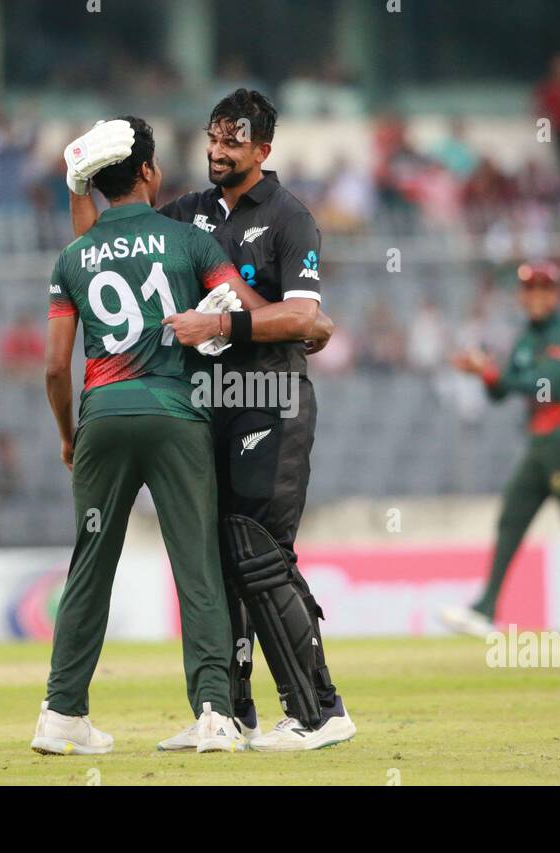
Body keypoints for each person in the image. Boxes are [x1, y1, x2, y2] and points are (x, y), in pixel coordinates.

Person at [66, 90, 356, 751]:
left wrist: (221, 322)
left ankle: (321, 711)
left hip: (272, 396)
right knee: (218, 557)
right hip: (208, 405)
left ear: (263, 150)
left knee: (259, 554)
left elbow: (307, 321)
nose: (218, 150)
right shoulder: (189, 213)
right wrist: (77, 177)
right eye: (213, 137)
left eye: (234, 140)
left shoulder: (289, 218)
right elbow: (99, 246)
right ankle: (228, 713)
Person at [34, 117, 265, 755]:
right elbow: (244, 310)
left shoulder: (72, 257)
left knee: (89, 567)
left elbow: (55, 366)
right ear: (147, 173)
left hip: (102, 419)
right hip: (177, 417)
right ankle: (215, 713)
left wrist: (67, 434)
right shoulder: (187, 242)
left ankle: (60, 715)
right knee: (196, 564)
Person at [439, 262, 560, 635]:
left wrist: (494, 374)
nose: (536, 297)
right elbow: (502, 392)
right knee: (511, 520)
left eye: (544, 290)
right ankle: (486, 608)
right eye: (530, 290)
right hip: (540, 443)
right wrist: (484, 372)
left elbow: (542, 385)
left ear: (556, 296)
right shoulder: (527, 338)